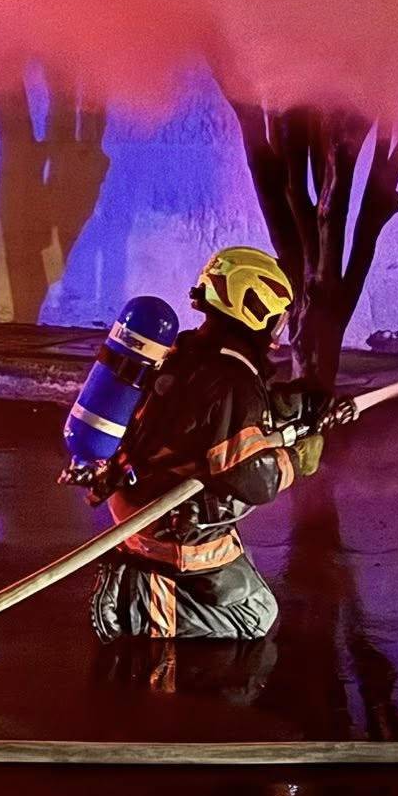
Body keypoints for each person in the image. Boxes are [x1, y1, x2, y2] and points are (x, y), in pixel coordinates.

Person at [90, 246, 347, 641]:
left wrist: (301, 402)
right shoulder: (231, 378)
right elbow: (251, 478)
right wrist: (299, 458)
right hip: (167, 530)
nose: (278, 327)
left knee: (245, 585)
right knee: (256, 614)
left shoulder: (194, 350)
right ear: (254, 307)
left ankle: (149, 584)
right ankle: (137, 608)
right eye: (276, 317)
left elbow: (219, 419)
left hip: (137, 502)